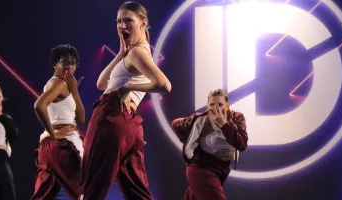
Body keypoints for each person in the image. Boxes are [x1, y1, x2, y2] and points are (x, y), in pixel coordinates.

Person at [81, 1, 172, 199]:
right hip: (130, 126)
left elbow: (164, 85)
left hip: (111, 117)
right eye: (119, 21)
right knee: (137, 190)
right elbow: (100, 83)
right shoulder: (134, 52)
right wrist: (120, 55)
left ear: (143, 22)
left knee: (92, 185)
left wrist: (127, 87)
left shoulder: (138, 52)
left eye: (128, 20)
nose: (122, 26)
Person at [171, 89, 248, 200]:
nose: (216, 108)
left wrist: (224, 124)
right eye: (212, 104)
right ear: (208, 105)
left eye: (220, 104)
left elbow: (242, 145)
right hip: (200, 168)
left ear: (227, 105)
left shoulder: (236, 117)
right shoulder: (201, 119)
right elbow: (175, 124)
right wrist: (191, 143)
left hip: (221, 170)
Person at [30, 44, 85, 200]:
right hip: (62, 146)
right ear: (55, 64)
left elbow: (80, 119)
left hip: (50, 148)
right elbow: (39, 105)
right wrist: (54, 133)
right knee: (86, 190)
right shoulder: (58, 84)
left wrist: (75, 92)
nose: (69, 66)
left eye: (73, 63)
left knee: (42, 196)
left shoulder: (65, 85)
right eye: (64, 62)